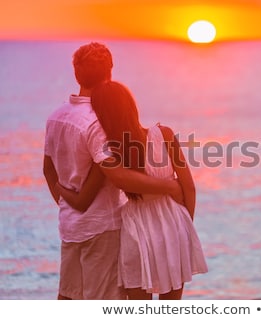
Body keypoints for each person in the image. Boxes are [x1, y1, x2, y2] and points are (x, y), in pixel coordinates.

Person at [43, 42, 183, 300]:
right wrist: (168, 186)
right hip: (103, 229)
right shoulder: (99, 120)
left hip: (70, 227)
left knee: (69, 299)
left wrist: (66, 202)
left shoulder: (57, 116)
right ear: (110, 71)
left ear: (76, 73)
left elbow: (48, 169)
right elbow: (116, 174)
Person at [56, 81, 208, 300]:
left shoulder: (112, 151)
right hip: (173, 223)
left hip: (136, 228)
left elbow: (85, 196)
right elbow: (189, 188)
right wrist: (185, 225)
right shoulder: (164, 134)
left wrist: (60, 187)